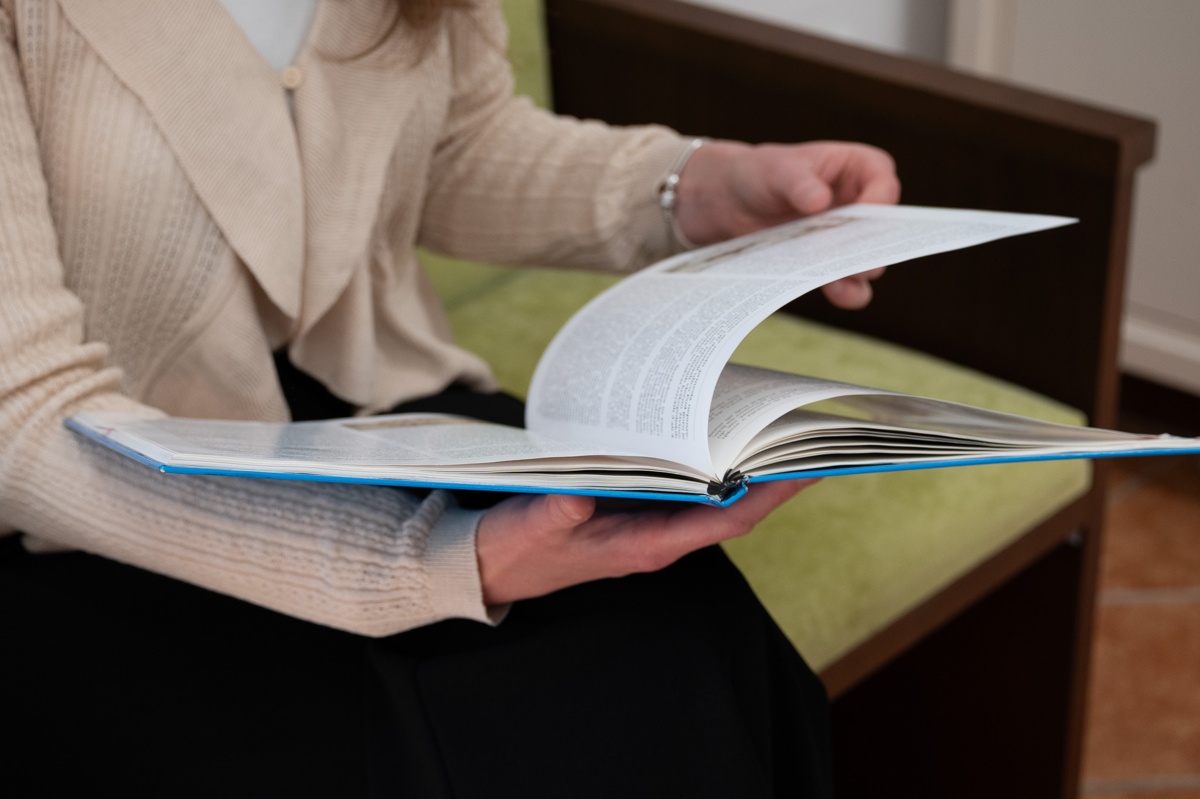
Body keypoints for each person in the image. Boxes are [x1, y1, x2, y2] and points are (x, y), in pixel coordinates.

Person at [0, 0, 899, 795]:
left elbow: (454, 144)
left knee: (678, 624)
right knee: (467, 724)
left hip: (364, 404)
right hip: (83, 502)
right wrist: (431, 559)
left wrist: (695, 188)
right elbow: (22, 414)